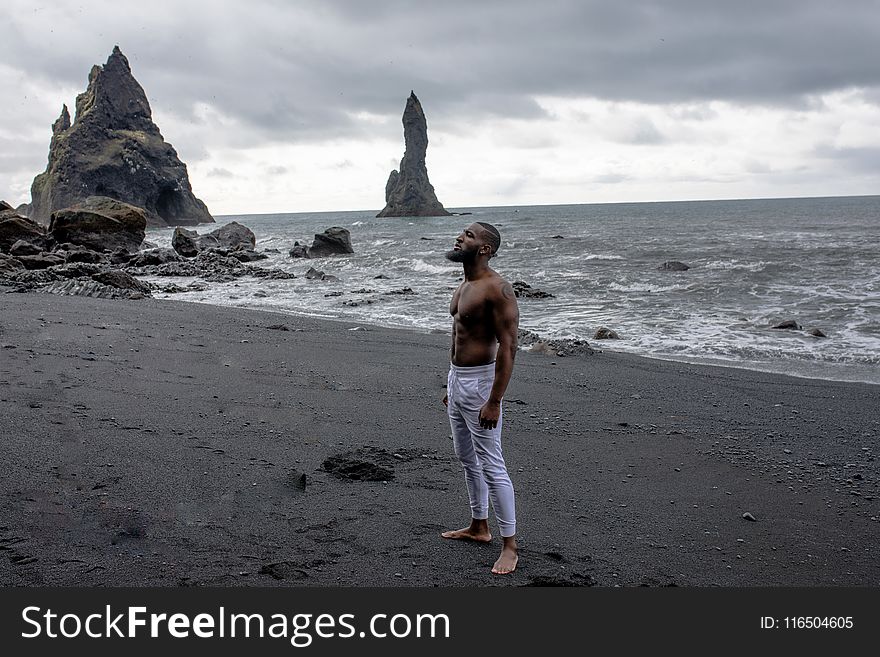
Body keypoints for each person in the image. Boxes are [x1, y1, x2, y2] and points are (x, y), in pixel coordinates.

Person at [442, 222, 519, 575]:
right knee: (466, 458)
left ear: (485, 249)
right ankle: (479, 526)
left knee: (492, 464)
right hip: (458, 381)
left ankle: (510, 546)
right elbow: (457, 336)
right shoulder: (464, 284)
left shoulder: (497, 288)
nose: (461, 237)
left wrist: (495, 400)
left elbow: (509, 346)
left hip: (481, 385)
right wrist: (451, 384)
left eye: (469, 235)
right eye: (463, 233)